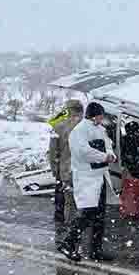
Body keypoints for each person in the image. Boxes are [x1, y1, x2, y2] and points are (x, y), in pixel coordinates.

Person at [58, 102, 116, 262]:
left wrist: (110, 154)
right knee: (87, 213)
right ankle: (68, 243)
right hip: (87, 177)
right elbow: (83, 152)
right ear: (93, 115)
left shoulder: (101, 130)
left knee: (100, 215)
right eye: (100, 116)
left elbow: (108, 145)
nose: (102, 119)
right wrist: (104, 156)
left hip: (100, 176)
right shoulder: (79, 131)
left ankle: (96, 250)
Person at [48, 100, 83, 224]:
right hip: (83, 170)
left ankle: (64, 223)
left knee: (64, 197)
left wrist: (55, 170)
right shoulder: (87, 126)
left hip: (65, 169)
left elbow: (53, 152)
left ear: (68, 110)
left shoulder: (59, 126)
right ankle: (79, 224)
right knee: (80, 201)